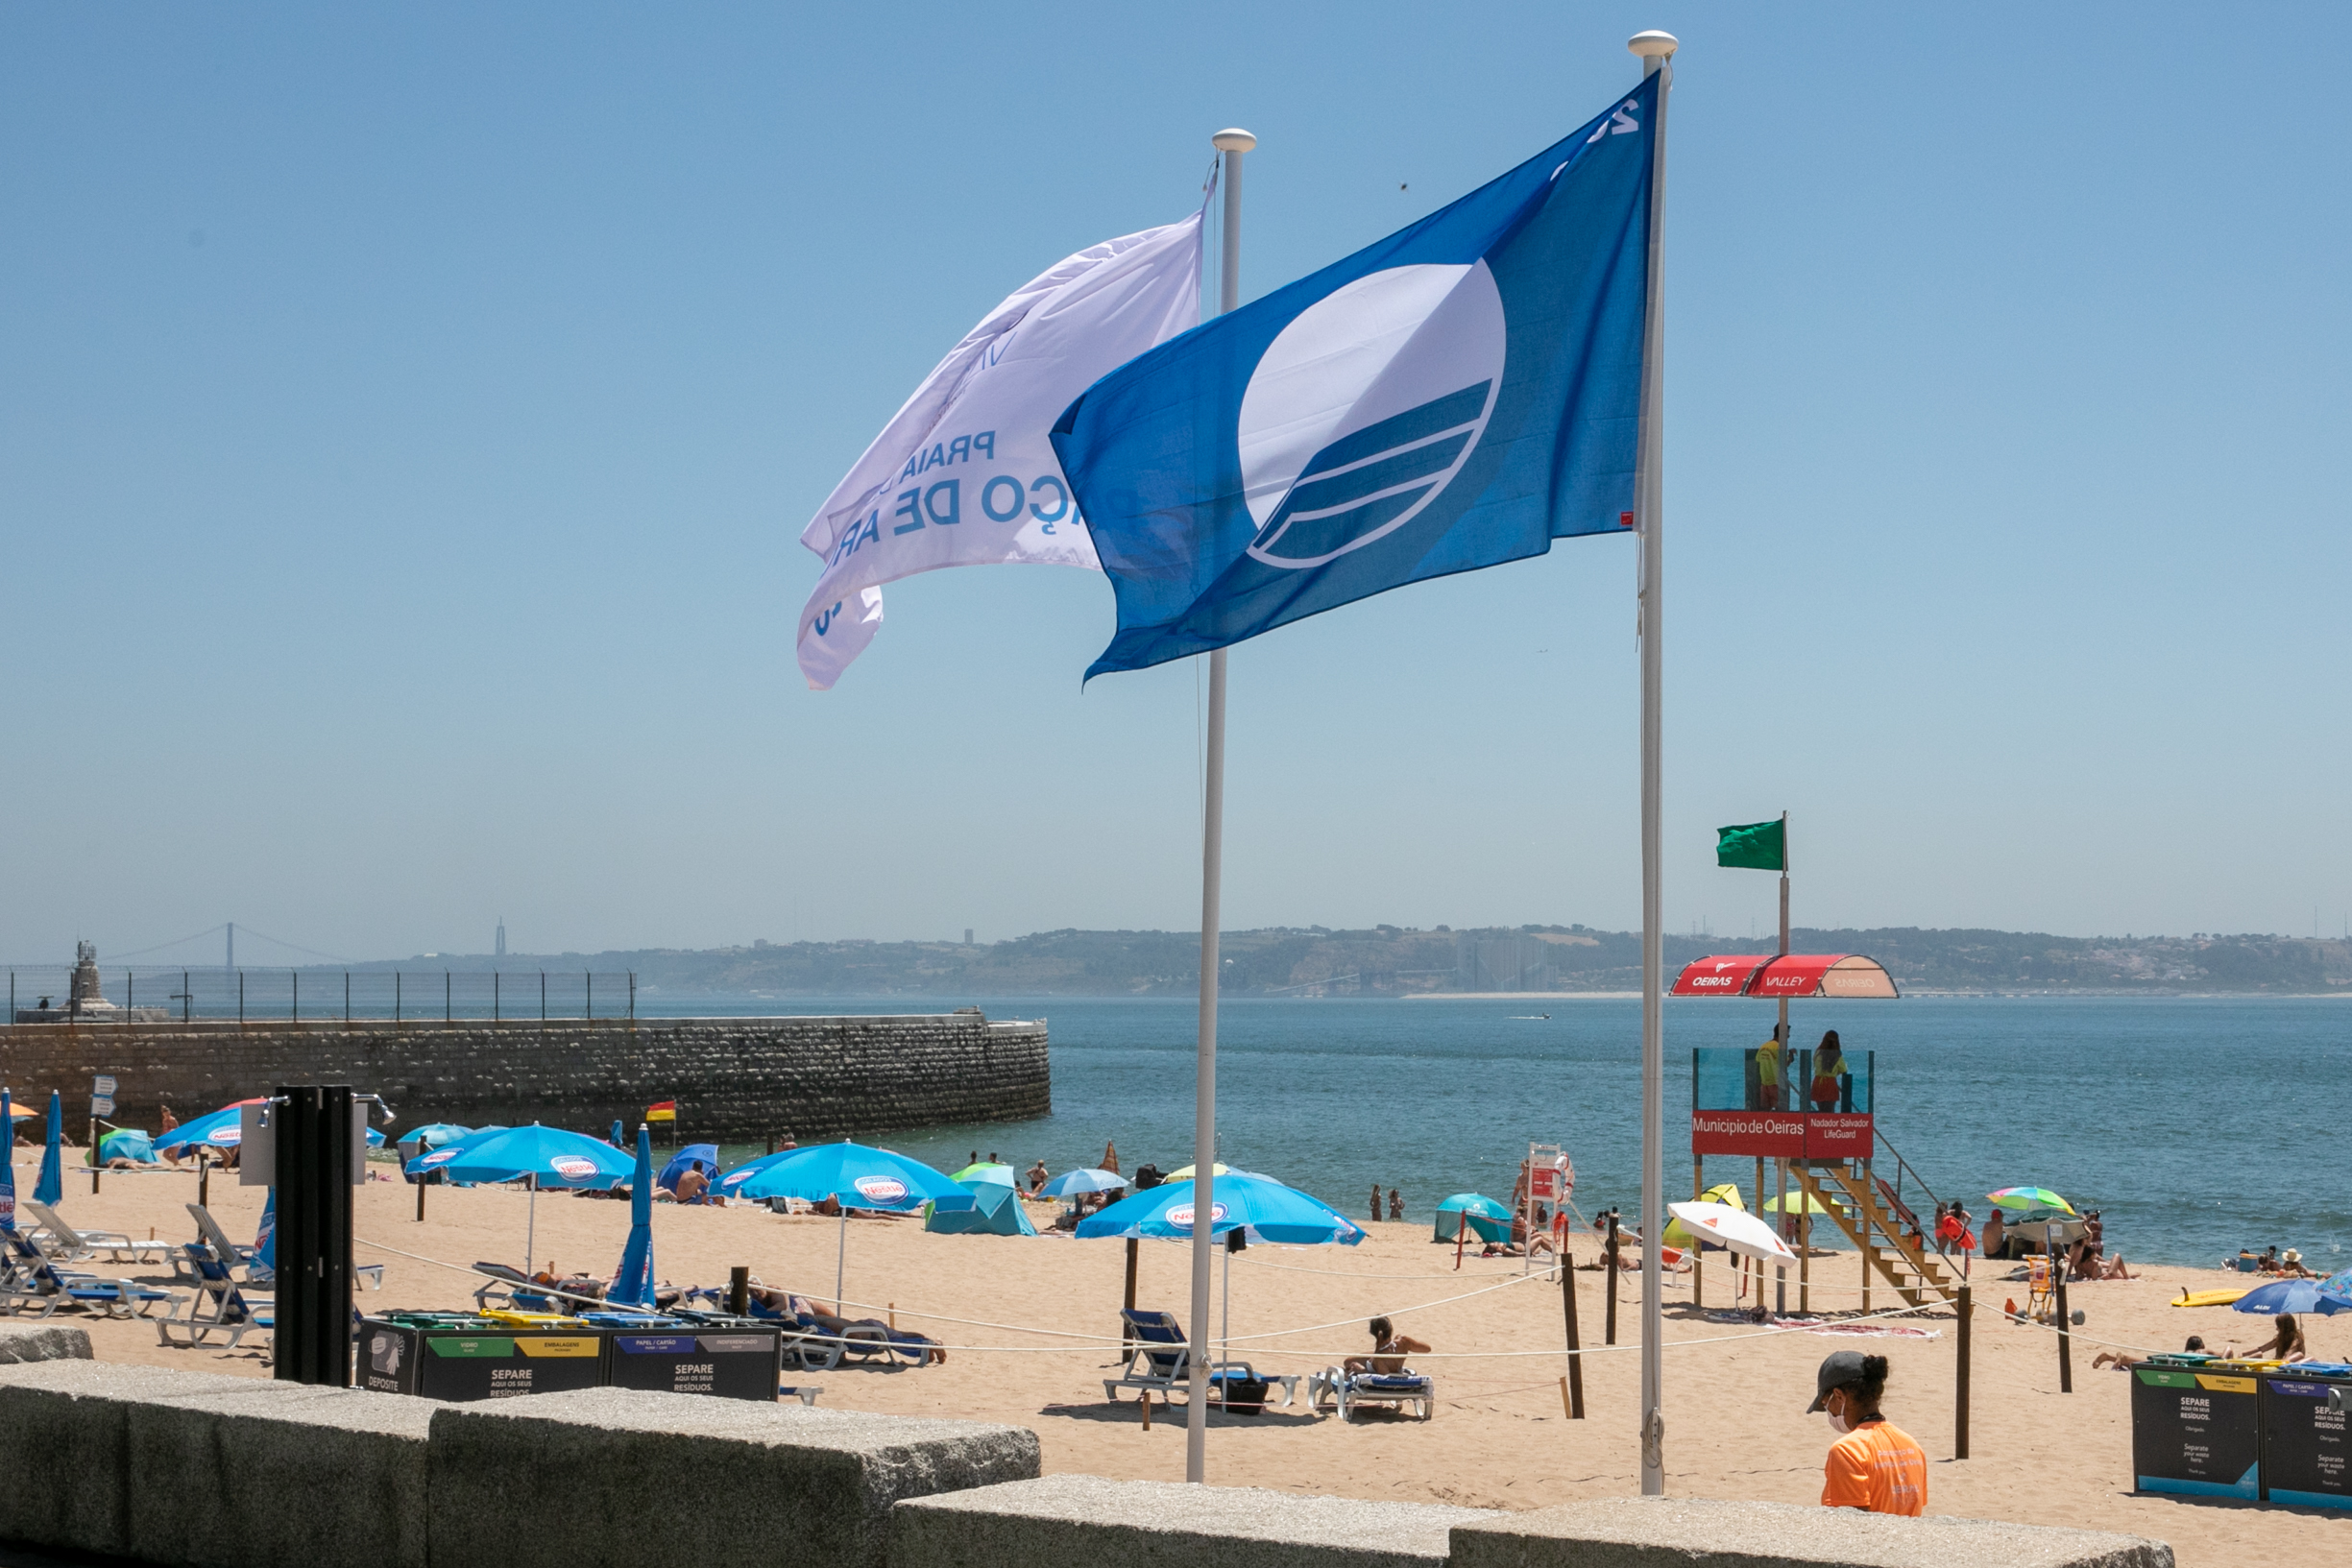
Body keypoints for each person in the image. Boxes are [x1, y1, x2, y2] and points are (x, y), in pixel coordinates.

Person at [1808, 1351, 1926, 1515]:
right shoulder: (1912, 1445)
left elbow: (1852, 1523)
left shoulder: (1847, 1450)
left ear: (1839, 1396)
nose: (1829, 1411)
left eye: (1826, 1404)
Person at [1343, 1315, 1429, 1375]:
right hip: (1389, 1360)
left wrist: (1363, 1371)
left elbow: (1385, 1381)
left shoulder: (1379, 1358)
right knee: (1348, 1361)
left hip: (1378, 1363)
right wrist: (1409, 1342)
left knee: (1347, 1363)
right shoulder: (1404, 1341)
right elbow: (1427, 1349)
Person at [1809, 1031, 1847, 1112]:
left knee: (1821, 1110)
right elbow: (1843, 1069)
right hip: (1830, 1082)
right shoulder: (1837, 1055)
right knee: (1830, 1111)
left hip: (1818, 1081)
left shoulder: (1818, 1052)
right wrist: (1836, 1072)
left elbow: (1816, 1065)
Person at [1756, 1025, 1785, 1111]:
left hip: (1764, 1083)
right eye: (1787, 1034)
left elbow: (1758, 1060)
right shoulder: (1778, 1047)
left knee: (1765, 1110)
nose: (1788, 1036)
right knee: (1779, 1110)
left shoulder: (1764, 1046)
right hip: (1775, 1083)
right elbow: (1785, 1063)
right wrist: (1791, 1055)